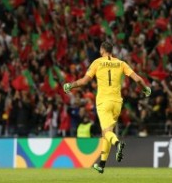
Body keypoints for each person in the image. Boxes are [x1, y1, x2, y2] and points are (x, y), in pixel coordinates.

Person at [63, 41, 151, 174]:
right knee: (107, 132)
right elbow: (138, 79)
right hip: (117, 102)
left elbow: (84, 81)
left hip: (103, 101)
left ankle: (118, 144)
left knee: (107, 132)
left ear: (102, 50)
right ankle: (102, 164)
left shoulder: (97, 62)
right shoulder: (121, 63)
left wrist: (70, 85)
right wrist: (145, 89)